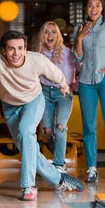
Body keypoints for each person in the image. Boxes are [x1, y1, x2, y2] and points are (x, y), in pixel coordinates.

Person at [0, 30, 84, 201]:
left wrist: (63, 85)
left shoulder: (36, 60)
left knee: (26, 132)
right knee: (27, 146)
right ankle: (59, 179)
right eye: (11, 49)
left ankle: (28, 187)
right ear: (4, 51)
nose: (16, 53)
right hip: (10, 107)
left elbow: (56, 74)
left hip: (33, 101)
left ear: (25, 49)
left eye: (20, 48)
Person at [74, 0, 105, 184]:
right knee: (89, 126)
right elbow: (77, 58)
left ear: (102, 8)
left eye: (97, 5)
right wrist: (79, 39)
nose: (93, 9)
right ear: (85, 9)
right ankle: (92, 169)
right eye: (90, 6)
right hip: (86, 82)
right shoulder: (80, 27)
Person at [35, 21, 78, 173]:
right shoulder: (38, 55)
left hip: (63, 93)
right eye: (46, 32)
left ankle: (59, 164)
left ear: (58, 35)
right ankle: (61, 150)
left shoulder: (67, 53)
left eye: (53, 32)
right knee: (47, 131)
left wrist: (75, 85)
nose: (50, 35)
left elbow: (77, 71)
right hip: (45, 92)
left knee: (60, 127)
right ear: (42, 36)